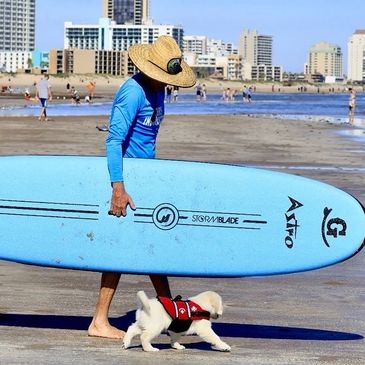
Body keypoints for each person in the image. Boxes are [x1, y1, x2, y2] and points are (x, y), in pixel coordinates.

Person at [87, 35, 196, 340]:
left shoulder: (158, 90)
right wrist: (118, 188)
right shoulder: (132, 93)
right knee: (124, 248)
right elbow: (113, 141)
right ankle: (99, 321)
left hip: (147, 177)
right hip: (128, 179)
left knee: (152, 246)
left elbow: (147, 140)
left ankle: (170, 315)